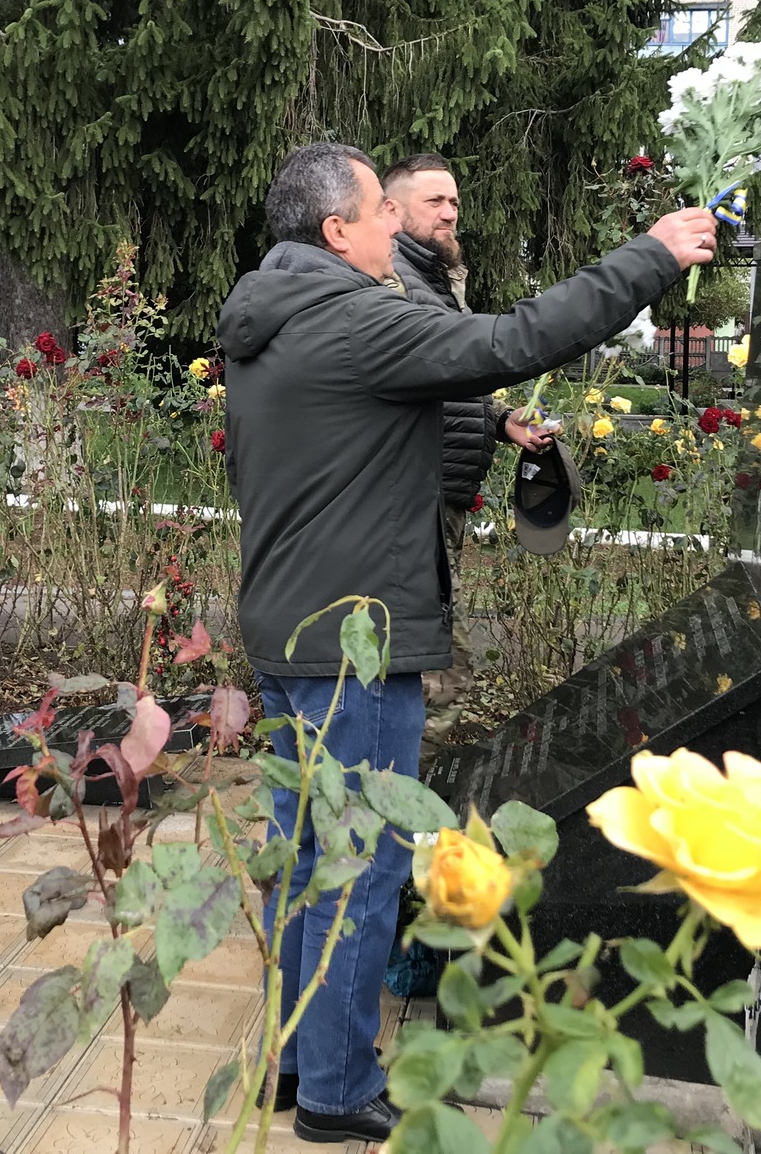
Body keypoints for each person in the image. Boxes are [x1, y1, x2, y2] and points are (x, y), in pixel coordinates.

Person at [218, 143, 714, 1141]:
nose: (395, 223)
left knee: (303, 857)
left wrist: (487, 431)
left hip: (284, 628)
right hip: (355, 645)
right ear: (336, 231)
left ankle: (291, 1061)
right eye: (380, 210)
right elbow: (515, 338)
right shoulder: (353, 315)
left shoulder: (270, 312)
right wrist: (653, 255)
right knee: (360, 867)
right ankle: (337, 1093)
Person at [378, 153, 554, 751]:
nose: (451, 213)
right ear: (392, 209)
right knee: (434, 671)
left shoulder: (434, 279)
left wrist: (502, 422)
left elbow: (444, 381)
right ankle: (406, 786)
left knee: (432, 663)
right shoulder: (393, 282)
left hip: (440, 500)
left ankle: (403, 779)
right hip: (411, 508)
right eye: (435, 201)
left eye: (454, 201)